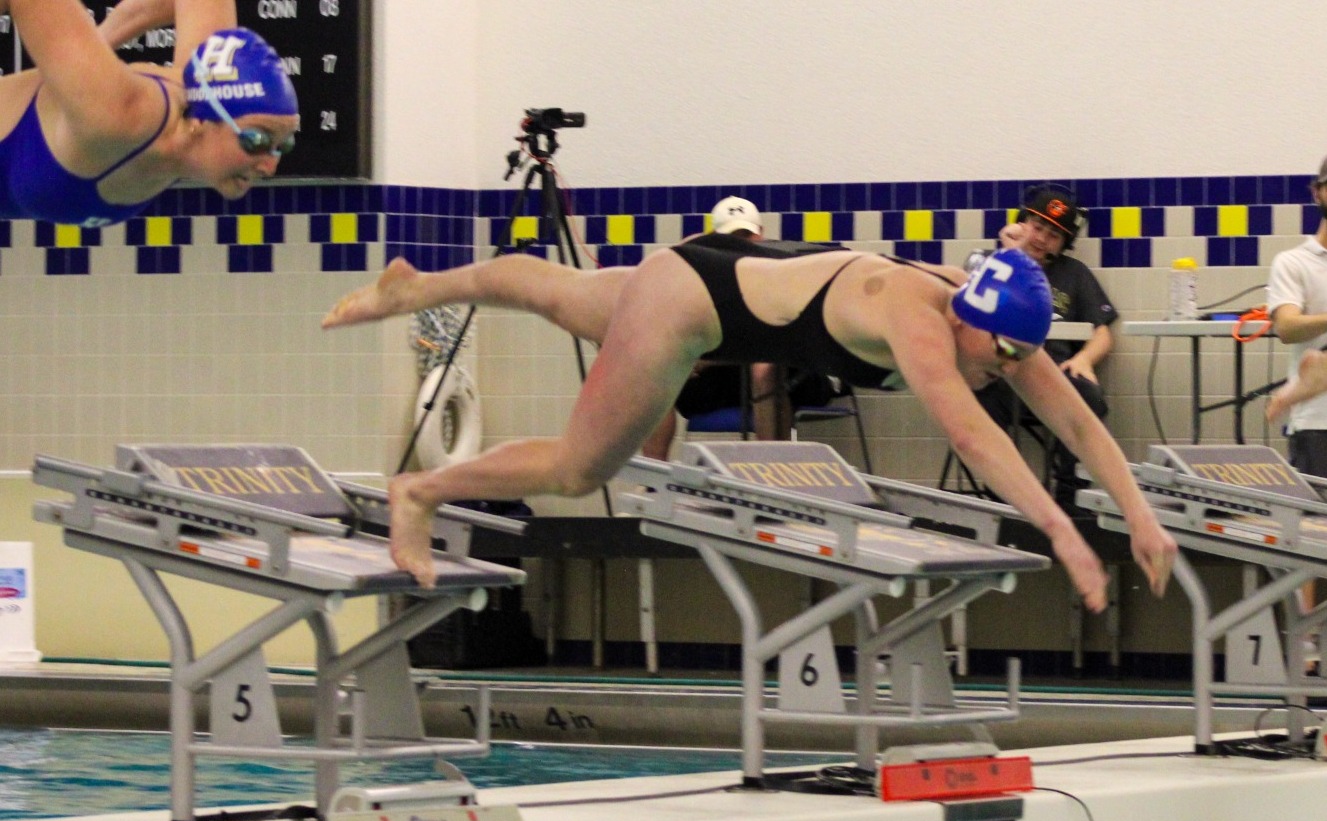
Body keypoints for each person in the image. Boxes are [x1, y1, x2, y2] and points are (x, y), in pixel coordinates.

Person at [322, 238, 1177, 611]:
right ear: (970, 318)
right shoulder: (918, 318)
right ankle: (420, 490)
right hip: (695, 309)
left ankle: (418, 286)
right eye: (999, 354)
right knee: (583, 470)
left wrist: (1137, 516)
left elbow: (1075, 423)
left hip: (709, 275)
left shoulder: (986, 313)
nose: (1004, 368)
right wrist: (1061, 533)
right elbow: (971, 437)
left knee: (561, 293)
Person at [0, 0, 298, 229]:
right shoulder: (116, 114)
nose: (270, 166)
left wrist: (104, 37)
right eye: (257, 138)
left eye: (283, 145)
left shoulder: (201, 79)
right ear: (201, 122)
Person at [641, 196, 838, 459]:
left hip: (794, 374)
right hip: (729, 381)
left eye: (746, 236)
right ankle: (654, 481)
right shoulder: (703, 281)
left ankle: (772, 474)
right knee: (654, 373)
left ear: (761, 235)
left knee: (763, 367)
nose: (740, 245)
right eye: (731, 238)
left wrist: (708, 361)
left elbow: (778, 342)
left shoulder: (783, 271)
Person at [963, 185, 1118, 502]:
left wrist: (1085, 360)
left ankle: (1071, 493)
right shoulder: (994, 263)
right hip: (1002, 372)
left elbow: (1103, 332)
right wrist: (1012, 252)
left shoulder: (1074, 275)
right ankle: (1000, 493)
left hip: (1053, 377)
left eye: (1054, 235)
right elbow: (965, 316)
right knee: (981, 392)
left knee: (1088, 395)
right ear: (1022, 223)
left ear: (1063, 244)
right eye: (1038, 227)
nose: (1042, 238)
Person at [1263, 155, 1327, 670]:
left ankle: (1312, 377)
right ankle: (1306, 648)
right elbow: (1286, 326)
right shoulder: (1295, 264)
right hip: (1317, 425)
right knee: (1309, 534)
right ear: (1317, 193)